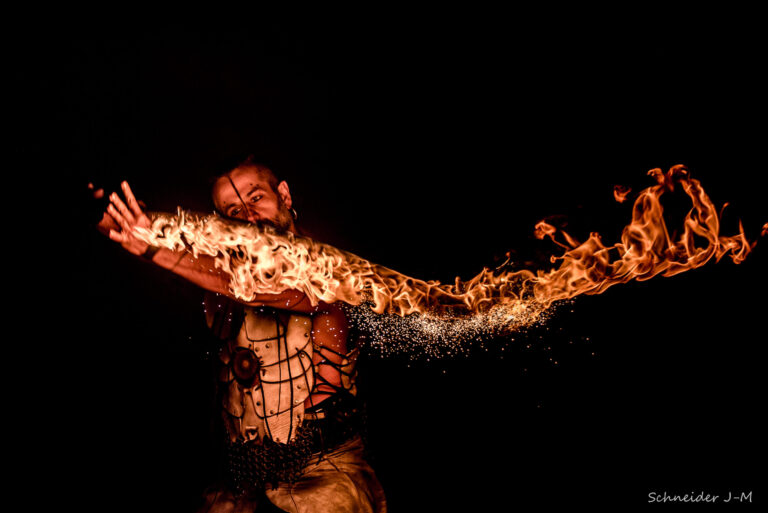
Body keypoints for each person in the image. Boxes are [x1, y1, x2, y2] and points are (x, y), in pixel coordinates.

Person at [95, 156, 387, 512]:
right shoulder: (213, 277)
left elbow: (263, 288)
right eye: (232, 211)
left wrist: (153, 247)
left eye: (256, 198)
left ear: (284, 195)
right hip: (241, 477)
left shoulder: (329, 267)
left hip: (326, 469)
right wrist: (118, 221)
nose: (248, 216)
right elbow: (195, 268)